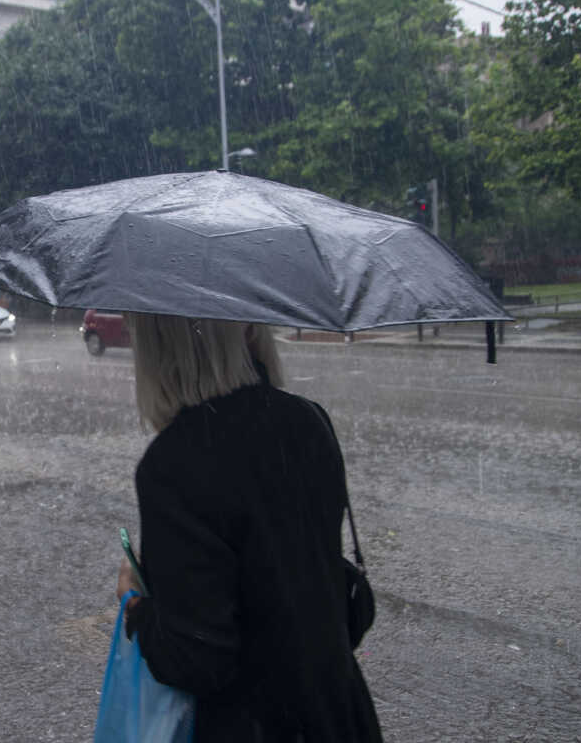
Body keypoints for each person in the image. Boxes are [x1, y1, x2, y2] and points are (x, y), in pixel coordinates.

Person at [114, 313, 382, 742]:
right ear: (247, 329)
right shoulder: (309, 421)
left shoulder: (174, 463)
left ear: (159, 340)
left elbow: (197, 658)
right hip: (339, 715)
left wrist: (137, 605)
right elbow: (316, 586)